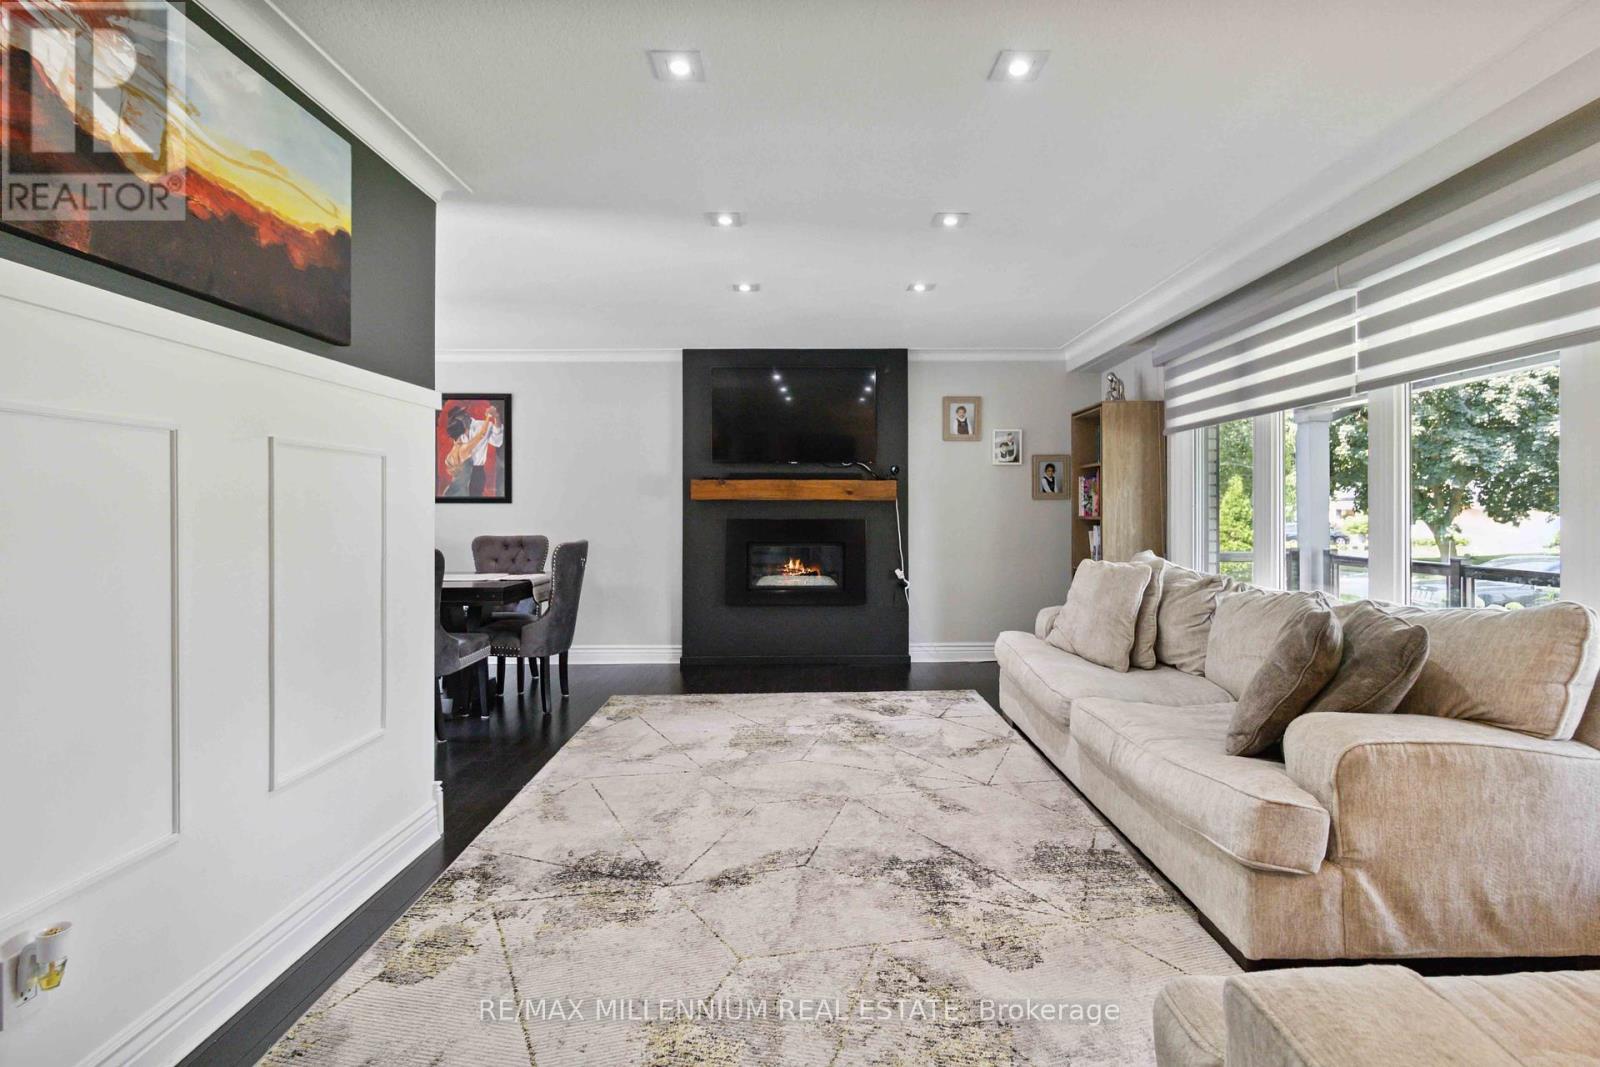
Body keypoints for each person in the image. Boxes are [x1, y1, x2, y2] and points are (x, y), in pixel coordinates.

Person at [445, 403, 503, 496]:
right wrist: (488, 417)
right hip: (463, 474)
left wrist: (496, 417)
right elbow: (481, 435)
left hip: (477, 472)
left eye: (462, 415)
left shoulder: (481, 425)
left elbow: (497, 441)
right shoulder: (459, 431)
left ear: (465, 414)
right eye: (457, 419)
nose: (462, 419)